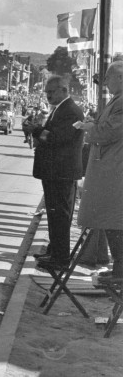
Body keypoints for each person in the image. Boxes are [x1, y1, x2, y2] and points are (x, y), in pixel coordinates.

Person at [31, 75, 85, 270]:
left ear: (64, 90)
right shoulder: (60, 109)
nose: (48, 96)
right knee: (54, 214)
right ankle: (54, 251)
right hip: (55, 172)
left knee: (60, 215)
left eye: (51, 92)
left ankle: (60, 258)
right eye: (47, 92)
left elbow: (56, 138)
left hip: (62, 172)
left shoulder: (70, 111)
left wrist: (36, 131)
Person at [76, 61, 123, 283]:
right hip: (110, 168)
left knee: (114, 221)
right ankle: (118, 270)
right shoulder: (117, 100)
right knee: (110, 221)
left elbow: (109, 133)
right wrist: (94, 124)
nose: (105, 82)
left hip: (114, 171)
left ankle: (120, 272)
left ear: (120, 78)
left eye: (108, 78)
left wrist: (90, 129)